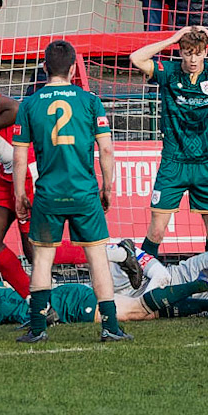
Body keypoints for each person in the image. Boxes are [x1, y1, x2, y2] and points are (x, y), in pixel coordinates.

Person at [0, 60, 143, 299]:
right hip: (7, 172)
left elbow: (15, 110)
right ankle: (34, 302)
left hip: (26, 168)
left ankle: (119, 253)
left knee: (36, 251)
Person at [12, 40, 125, 343]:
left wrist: (19, 194)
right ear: (74, 68)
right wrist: (107, 187)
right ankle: (110, 326)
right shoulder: (89, 101)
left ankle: (38, 328)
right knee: (97, 258)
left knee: (43, 260)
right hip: (84, 192)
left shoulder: (30, 103)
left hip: (48, 193)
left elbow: (19, 156)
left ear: (45, 67)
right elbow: (106, 149)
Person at [129, 26, 208, 257]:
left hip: (204, 164)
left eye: (198, 53)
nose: (192, 59)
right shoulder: (168, 71)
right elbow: (136, 58)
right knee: (157, 231)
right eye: (187, 52)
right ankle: (142, 277)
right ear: (180, 52)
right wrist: (173, 38)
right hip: (173, 163)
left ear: (205, 53)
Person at [0, 267, 208, 328]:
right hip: (66, 300)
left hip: (68, 304)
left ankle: (202, 284)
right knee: (145, 314)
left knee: (135, 310)